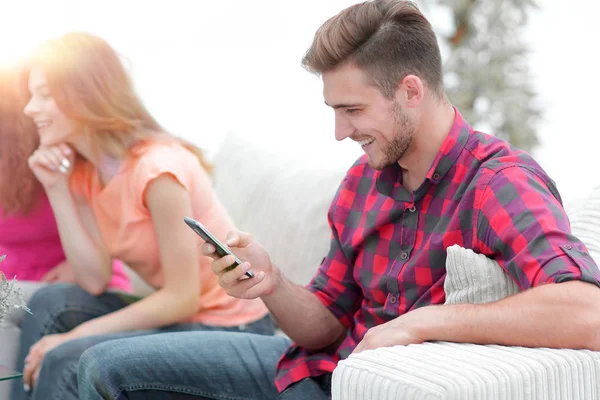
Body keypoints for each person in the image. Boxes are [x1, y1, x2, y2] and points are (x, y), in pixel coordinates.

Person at [76, 1, 600, 399]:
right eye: (333, 110)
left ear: (410, 92)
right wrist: (273, 284)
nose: (338, 131)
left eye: (352, 110)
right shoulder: (362, 182)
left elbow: (587, 312)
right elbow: (323, 321)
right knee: (103, 367)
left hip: (365, 384)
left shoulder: (497, 182)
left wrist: (423, 323)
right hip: (312, 367)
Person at [11, 32, 272, 400]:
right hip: (182, 318)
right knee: (48, 301)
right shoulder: (84, 173)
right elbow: (95, 278)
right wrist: (56, 188)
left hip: (231, 327)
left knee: (67, 355)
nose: (30, 108)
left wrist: (77, 335)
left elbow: (182, 298)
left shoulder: (158, 170)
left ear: (86, 93)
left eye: (45, 94)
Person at [0, 64, 131, 290]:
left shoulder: (66, 160)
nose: (33, 108)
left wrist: (78, 266)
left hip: (72, 292)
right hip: (16, 290)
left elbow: (115, 240)